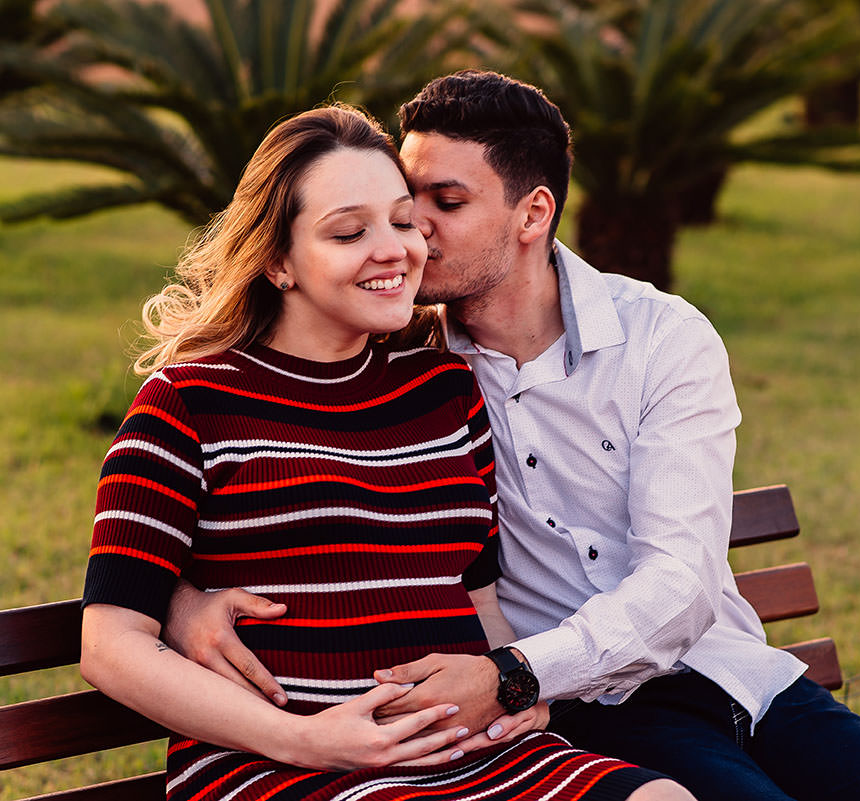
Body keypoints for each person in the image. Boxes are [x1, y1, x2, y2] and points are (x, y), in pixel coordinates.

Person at [164, 73, 860, 801]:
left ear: (533, 214)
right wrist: (177, 597)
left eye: (445, 201)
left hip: (736, 673)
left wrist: (513, 672)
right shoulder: (405, 366)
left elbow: (681, 582)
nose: (410, 230)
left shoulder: (660, 337)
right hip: (590, 711)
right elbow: (250, 439)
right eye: (406, 200)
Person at [79, 102, 691, 801]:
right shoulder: (188, 401)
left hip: (472, 752)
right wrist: (300, 738)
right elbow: (109, 643)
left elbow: (475, 597)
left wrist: (514, 692)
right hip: (280, 764)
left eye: (403, 222)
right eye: (349, 232)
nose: (395, 249)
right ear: (277, 261)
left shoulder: (444, 389)